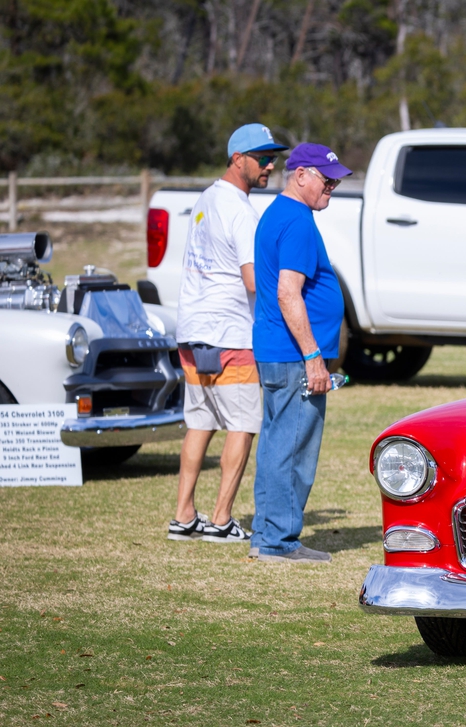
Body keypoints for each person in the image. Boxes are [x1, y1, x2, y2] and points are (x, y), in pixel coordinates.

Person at [167, 123, 288, 543]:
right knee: (243, 423)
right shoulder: (240, 209)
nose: (270, 165)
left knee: (199, 422)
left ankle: (183, 516)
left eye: (273, 157)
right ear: (238, 159)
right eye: (262, 157)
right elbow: (254, 281)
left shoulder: (205, 200)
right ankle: (220, 520)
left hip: (193, 331)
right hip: (230, 333)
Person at [248, 143, 350, 563]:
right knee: (293, 446)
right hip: (293, 357)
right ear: (301, 175)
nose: (332, 187)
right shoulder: (296, 221)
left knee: (277, 443)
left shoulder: (280, 213)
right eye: (327, 180)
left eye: (336, 181)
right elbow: (288, 293)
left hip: (278, 352)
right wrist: (313, 356)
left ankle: (268, 534)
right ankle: (277, 540)